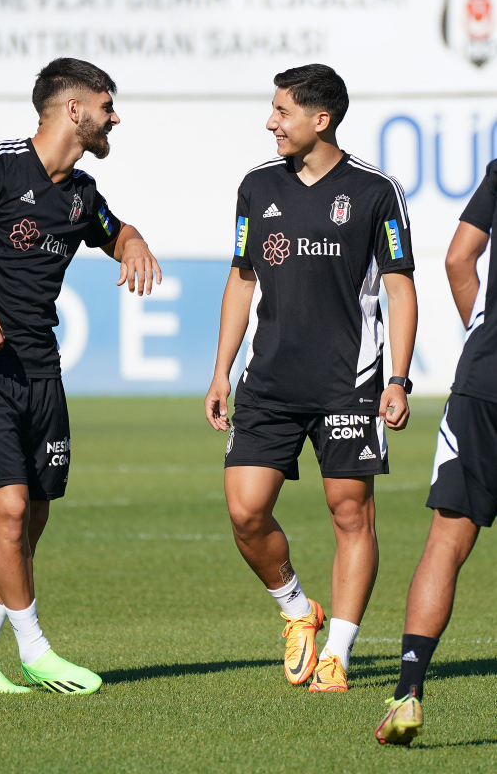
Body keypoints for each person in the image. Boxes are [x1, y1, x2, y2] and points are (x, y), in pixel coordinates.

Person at [0, 58, 161, 694]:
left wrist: (132, 242)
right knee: (11, 510)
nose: (115, 117)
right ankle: (36, 650)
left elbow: (114, 230)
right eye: (107, 105)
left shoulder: (81, 194)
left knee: (29, 518)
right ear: (74, 110)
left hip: (40, 373)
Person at [204, 64, 417, 692]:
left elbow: (401, 289)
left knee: (349, 512)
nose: (271, 122)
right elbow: (243, 278)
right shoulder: (256, 187)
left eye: (282, 111)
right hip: (267, 380)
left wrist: (398, 378)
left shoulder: (376, 190)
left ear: (320, 119)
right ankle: (298, 610)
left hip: (348, 381)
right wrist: (221, 370)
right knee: (246, 513)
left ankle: (340, 654)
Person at [375, 161, 497, 744]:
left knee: (446, 542)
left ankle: (407, 694)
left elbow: (457, 259)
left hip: (485, 383)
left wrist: (481, 327)